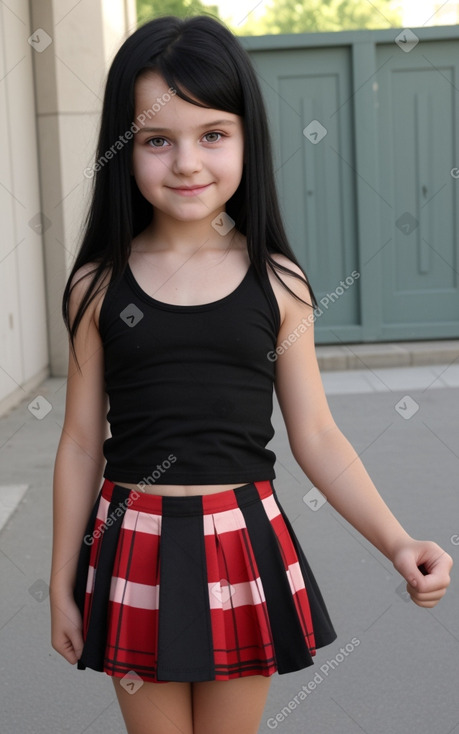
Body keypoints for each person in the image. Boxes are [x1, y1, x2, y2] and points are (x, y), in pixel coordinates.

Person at [49, 14, 453, 734]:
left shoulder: (279, 283)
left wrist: (398, 541)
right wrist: (59, 581)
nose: (186, 163)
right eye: (156, 140)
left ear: (246, 139)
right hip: (131, 543)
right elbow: (80, 442)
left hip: (242, 543)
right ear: (125, 147)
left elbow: (318, 434)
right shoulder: (97, 287)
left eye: (212, 134)